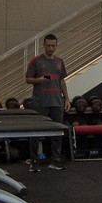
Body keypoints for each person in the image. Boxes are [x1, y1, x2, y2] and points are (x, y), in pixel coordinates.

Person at [25, 33, 68, 170]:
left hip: (57, 102)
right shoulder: (36, 61)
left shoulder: (59, 61)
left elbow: (62, 80)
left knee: (57, 131)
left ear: (56, 46)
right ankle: (34, 161)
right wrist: (39, 80)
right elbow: (27, 79)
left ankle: (55, 160)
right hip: (40, 102)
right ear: (43, 45)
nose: (50, 48)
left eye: (53, 46)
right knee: (36, 132)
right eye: (48, 45)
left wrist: (67, 98)